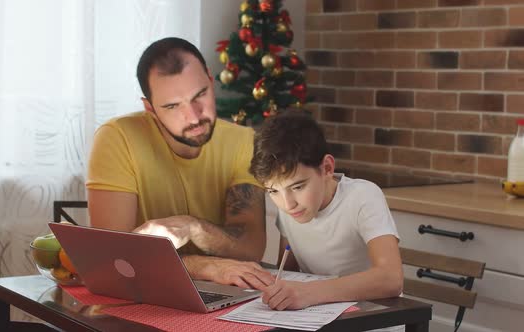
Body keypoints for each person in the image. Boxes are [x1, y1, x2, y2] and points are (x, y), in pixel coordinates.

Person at [85, 37, 273, 289]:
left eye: (200, 94)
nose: (194, 116)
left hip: (222, 292)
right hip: (143, 289)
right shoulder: (118, 137)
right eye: (173, 106)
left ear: (209, 78)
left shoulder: (243, 141)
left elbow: (250, 249)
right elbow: (114, 255)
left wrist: (193, 228)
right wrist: (202, 266)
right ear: (150, 108)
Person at [249, 112, 404, 311]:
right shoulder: (292, 208)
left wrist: (308, 293)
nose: (287, 205)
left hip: (371, 321)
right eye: (273, 191)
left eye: (298, 187)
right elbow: (288, 271)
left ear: (327, 168)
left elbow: (390, 278)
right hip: (319, 319)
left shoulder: (363, 196)